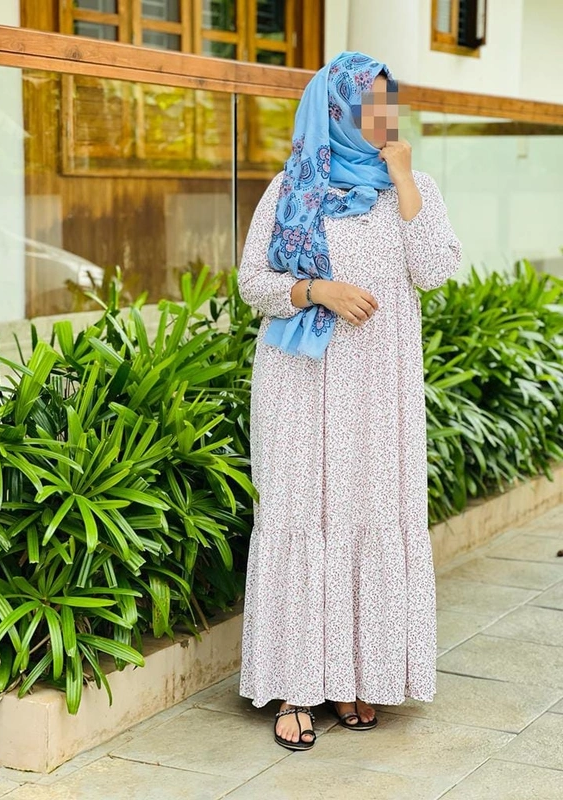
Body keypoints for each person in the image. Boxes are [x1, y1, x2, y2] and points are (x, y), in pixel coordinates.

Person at [237, 51, 462, 751]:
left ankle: (355, 674)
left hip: (378, 392)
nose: (383, 116)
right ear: (334, 109)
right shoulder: (291, 187)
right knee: (302, 515)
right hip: (301, 384)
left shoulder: (411, 189)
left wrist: (404, 177)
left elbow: (435, 269)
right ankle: (296, 686)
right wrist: (318, 290)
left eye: (389, 103)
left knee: (368, 515)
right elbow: (252, 282)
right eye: (369, 104)